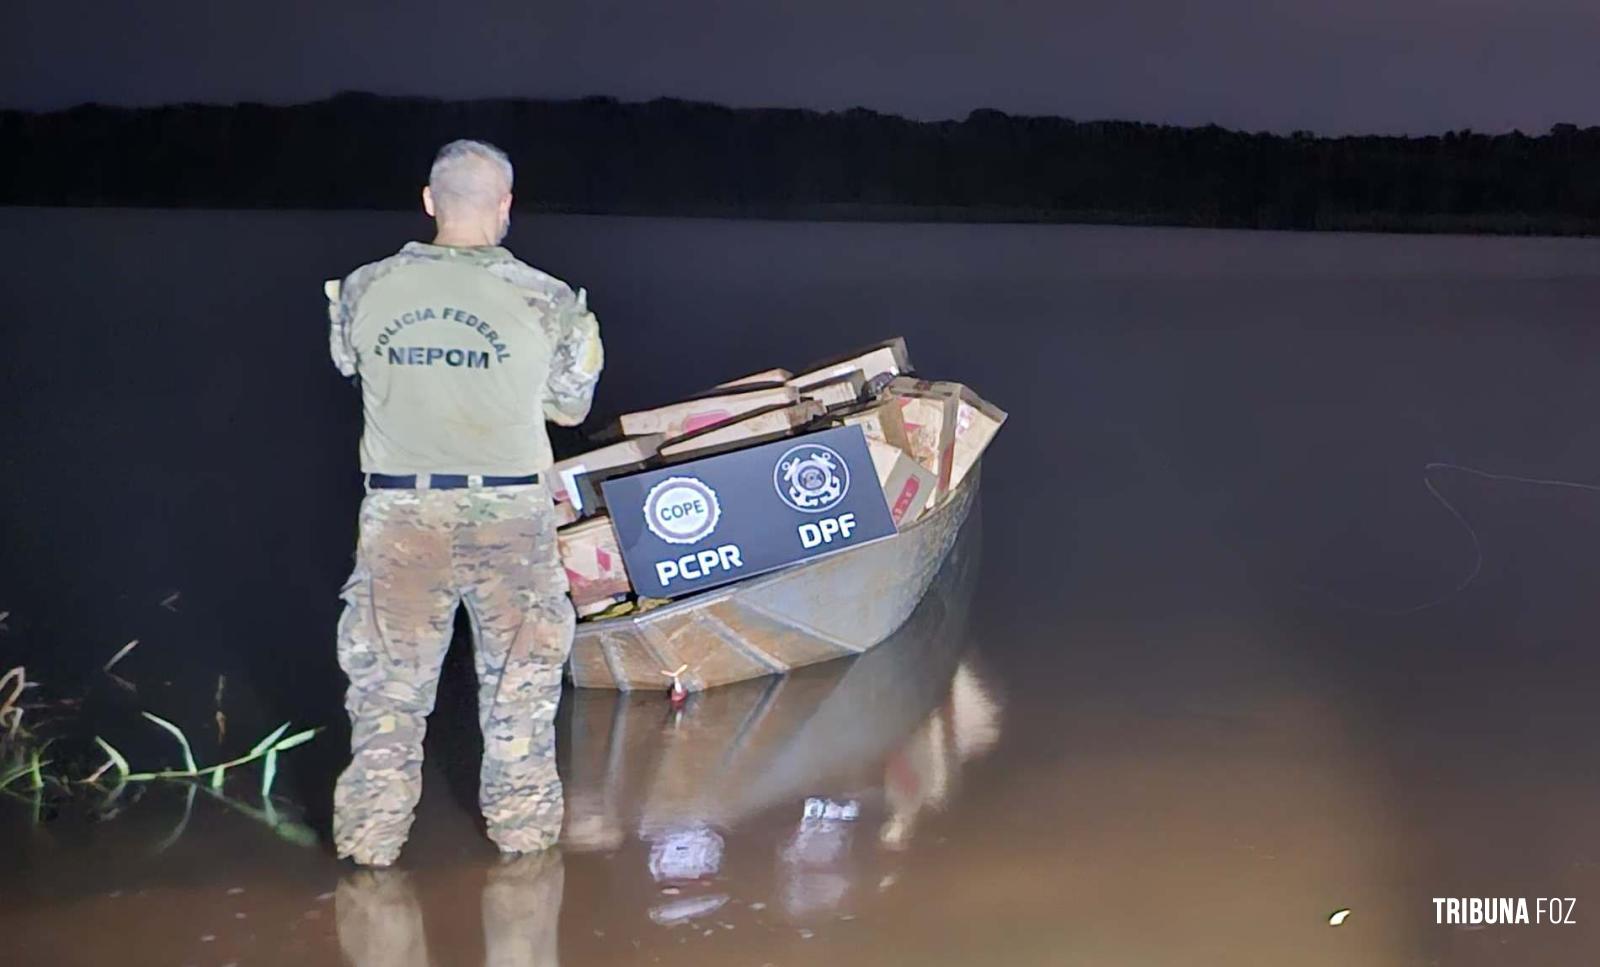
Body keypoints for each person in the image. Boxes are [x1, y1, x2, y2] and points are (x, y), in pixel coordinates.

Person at [325, 139, 603, 867]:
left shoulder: (361, 287)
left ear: (428, 200)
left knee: (386, 696)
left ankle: (368, 857)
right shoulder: (549, 299)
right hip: (511, 519)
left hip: (399, 520)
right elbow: (571, 407)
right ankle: (526, 853)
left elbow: (349, 363)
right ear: (506, 206)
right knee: (521, 692)